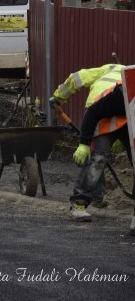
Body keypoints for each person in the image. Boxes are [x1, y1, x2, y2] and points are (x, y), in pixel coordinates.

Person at [49, 63, 131, 222]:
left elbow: (75, 78)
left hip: (127, 114)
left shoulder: (122, 76)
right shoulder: (114, 74)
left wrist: (59, 96)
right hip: (98, 112)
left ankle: (97, 200)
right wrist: (84, 144)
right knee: (98, 158)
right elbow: (78, 80)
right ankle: (78, 206)